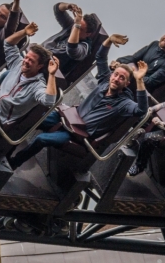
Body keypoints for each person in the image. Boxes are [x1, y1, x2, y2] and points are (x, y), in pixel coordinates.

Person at [8, 33, 148, 169]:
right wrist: (109, 41)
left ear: (127, 83)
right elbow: (100, 57)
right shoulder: (105, 81)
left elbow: (141, 110)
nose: (116, 79)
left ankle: (14, 163)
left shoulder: (125, 103)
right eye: (115, 75)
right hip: (67, 117)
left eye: (121, 78)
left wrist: (140, 80)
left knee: (41, 139)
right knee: (30, 116)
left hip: (77, 135)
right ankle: (6, 150)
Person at [0, 23, 59, 128]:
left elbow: (49, 101)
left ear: (39, 66)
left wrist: (52, 74)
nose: (25, 61)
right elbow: (8, 43)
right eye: (26, 57)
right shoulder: (18, 64)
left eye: (31, 61)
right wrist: (24, 32)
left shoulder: (37, 86)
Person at [114, 27, 165, 92]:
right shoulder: (154, 44)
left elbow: (150, 82)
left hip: (138, 88)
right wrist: (118, 61)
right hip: (130, 77)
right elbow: (133, 58)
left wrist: (130, 74)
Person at [43, 3, 102, 73]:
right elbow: (57, 10)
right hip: (40, 52)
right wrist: (68, 6)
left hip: (47, 68)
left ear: (88, 34)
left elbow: (72, 50)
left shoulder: (84, 47)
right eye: (75, 24)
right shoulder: (71, 25)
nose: (74, 28)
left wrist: (77, 24)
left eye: (80, 28)